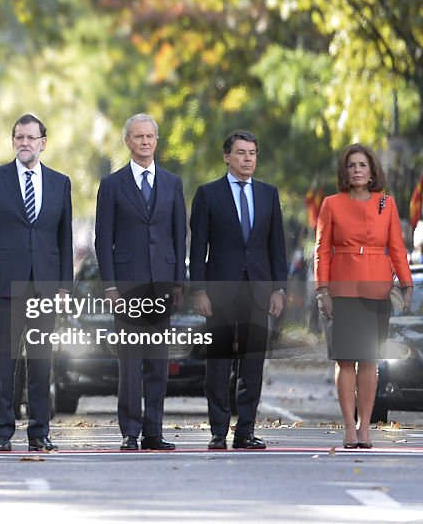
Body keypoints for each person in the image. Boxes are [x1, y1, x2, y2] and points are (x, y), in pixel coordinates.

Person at [0, 114, 72, 452]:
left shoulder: (60, 183)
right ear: (13, 142)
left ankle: (39, 432)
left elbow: (65, 239)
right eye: (19, 138)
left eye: (31, 138)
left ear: (43, 142)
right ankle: (1, 431)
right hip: (5, 284)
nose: (24, 143)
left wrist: (63, 288)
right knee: (4, 360)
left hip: (44, 285)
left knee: (42, 361)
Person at [189, 131, 287, 450]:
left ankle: (245, 430)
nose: (248, 159)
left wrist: (278, 290)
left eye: (253, 153)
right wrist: (199, 291)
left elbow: (277, 248)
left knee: (252, 364)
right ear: (226, 157)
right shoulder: (208, 194)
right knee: (218, 364)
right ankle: (218, 431)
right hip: (219, 292)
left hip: (258, 290)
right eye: (241, 153)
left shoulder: (268, 195)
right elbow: (198, 248)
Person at [95, 114, 186, 451]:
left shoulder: (172, 183)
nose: (145, 142)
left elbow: (179, 235)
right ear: (127, 142)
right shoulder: (112, 185)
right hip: (127, 287)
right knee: (130, 362)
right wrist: (110, 286)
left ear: (156, 141)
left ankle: (153, 431)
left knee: (157, 362)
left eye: (150, 136)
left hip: (162, 284)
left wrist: (179, 283)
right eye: (138, 136)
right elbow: (103, 240)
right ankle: (130, 432)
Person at [314, 143, 412, 449]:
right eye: (351, 165)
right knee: (345, 361)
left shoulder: (386, 203)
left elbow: (396, 247)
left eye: (362, 165)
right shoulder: (331, 204)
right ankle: (348, 427)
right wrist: (322, 291)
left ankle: (365, 427)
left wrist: (407, 285)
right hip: (342, 289)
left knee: (369, 361)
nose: (357, 170)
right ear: (345, 171)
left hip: (377, 289)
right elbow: (321, 250)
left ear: (372, 172)